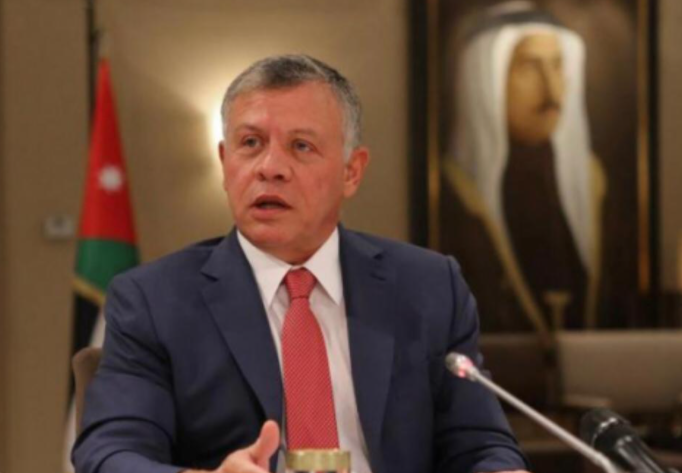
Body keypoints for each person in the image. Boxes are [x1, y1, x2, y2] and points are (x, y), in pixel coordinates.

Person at [73, 54, 529, 473]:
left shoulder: (428, 287)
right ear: (225, 161)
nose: (270, 167)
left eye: (301, 146)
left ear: (351, 171)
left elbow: (481, 445)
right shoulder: (154, 300)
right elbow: (110, 454)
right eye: (251, 143)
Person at [441, 3, 606, 343]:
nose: (552, 89)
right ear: (487, 81)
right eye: (530, 68)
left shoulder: (594, 184)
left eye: (558, 66)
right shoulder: (457, 194)